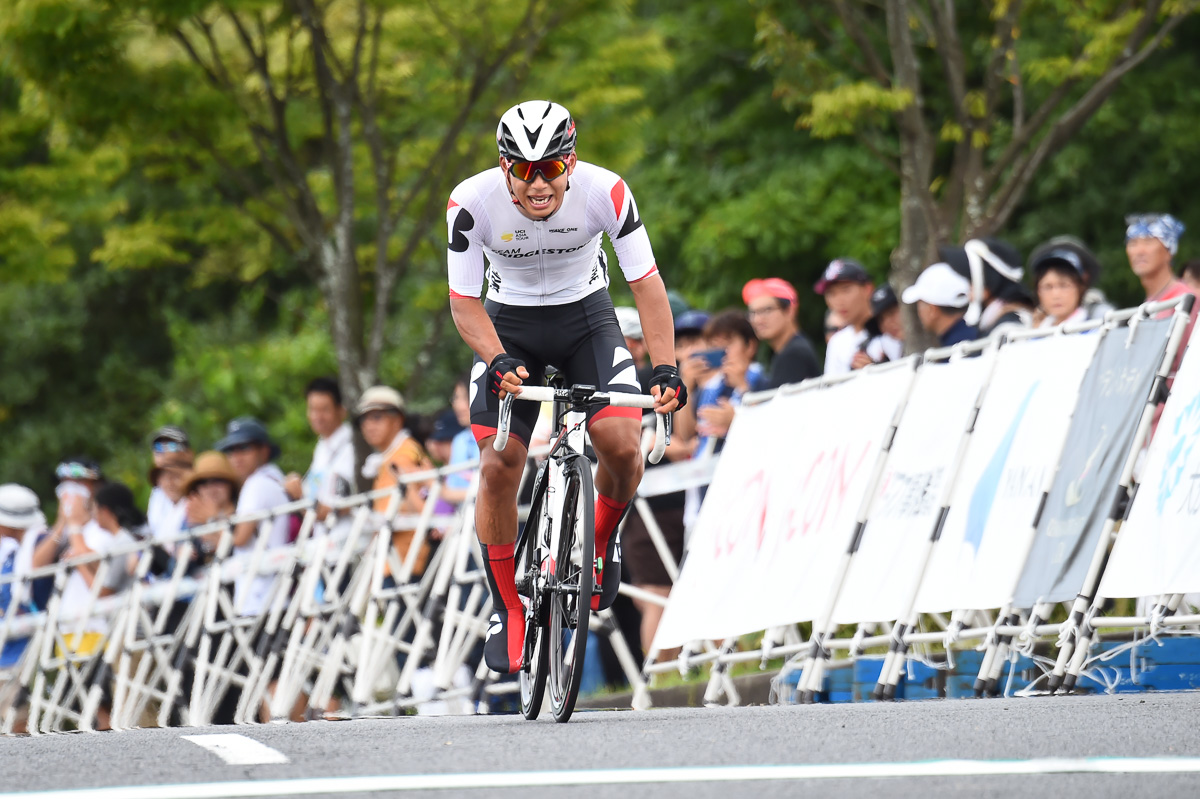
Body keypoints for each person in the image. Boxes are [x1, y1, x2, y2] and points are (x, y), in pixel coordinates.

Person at [446, 100, 684, 673]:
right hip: (509, 327)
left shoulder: (607, 192)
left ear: (571, 162)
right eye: (522, 169)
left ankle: (600, 542)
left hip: (588, 321)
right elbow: (463, 301)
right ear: (504, 168)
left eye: (549, 167)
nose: (537, 183)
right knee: (499, 462)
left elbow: (647, 285)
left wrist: (665, 366)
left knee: (624, 446)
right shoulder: (469, 202)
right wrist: (497, 358)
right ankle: (508, 606)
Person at [215, 417, 291, 617]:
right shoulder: (274, 477)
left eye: (244, 448)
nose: (236, 457)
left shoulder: (256, 484)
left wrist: (211, 519)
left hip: (261, 597)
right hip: (279, 593)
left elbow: (240, 538)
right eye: (231, 451)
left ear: (264, 451)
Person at [356, 386, 434, 574]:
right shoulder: (388, 456)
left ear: (397, 419)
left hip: (406, 564)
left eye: (376, 417)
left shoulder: (405, 453)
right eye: (364, 419)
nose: (368, 425)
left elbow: (411, 506)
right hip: (392, 562)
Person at [0, 484, 45, 733]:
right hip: (8, 648)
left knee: (16, 723)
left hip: (20, 650)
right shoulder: (12, 552)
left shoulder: (29, 549)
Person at [284, 377, 355, 523]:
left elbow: (337, 507)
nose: (317, 416)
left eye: (324, 409)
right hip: (324, 540)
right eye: (312, 409)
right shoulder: (322, 447)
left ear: (342, 410)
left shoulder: (351, 448)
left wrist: (299, 496)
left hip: (347, 539)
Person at [694, 311, 768, 450]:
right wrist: (686, 383)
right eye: (715, 346)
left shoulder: (764, 383)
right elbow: (686, 434)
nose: (723, 353)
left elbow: (767, 429)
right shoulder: (711, 387)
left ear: (750, 346)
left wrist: (742, 387)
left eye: (727, 345)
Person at [943, 238, 1033, 336]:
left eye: (970, 281)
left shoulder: (1010, 327)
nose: (966, 287)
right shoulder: (992, 320)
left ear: (987, 284)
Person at [742, 277, 822, 389]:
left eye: (766, 310)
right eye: (753, 313)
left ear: (790, 311)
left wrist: (742, 387)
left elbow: (780, 405)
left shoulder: (794, 354)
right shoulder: (787, 350)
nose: (757, 320)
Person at [814, 258, 875, 375]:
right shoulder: (836, 342)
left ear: (867, 289)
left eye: (845, 290)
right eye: (831, 294)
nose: (839, 301)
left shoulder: (890, 329)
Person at [181, 451, 242, 568]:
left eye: (217, 480)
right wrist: (180, 553)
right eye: (203, 483)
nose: (211, 488)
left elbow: (237, 551)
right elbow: (178, 568)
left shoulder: (243, 512)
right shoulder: (192, 520)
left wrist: (213, 520)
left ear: (230, 485)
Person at [902, 262, 978, 347]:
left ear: (932, 310)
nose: (919, 312)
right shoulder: (974, 336)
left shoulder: (954, 349)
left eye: (920, 304)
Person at [146, 427, 193, 551]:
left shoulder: (201, 485)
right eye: (158, 447)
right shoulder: (157, 492)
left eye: (171, 446)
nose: (163, 452)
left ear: (188, 453)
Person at [1029, 245, 1090, 328]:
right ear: (1038, 292)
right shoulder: (1035, 334)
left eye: (1064, 286)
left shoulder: (1095, 330)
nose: (1056, 295)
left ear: (1080, 288)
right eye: (1048, 287)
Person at [852, 284, 904, 369]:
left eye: (891, 313)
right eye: (881, 319)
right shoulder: (884, 350)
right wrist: (874, 368)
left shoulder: (929, 338)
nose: (887, 323)